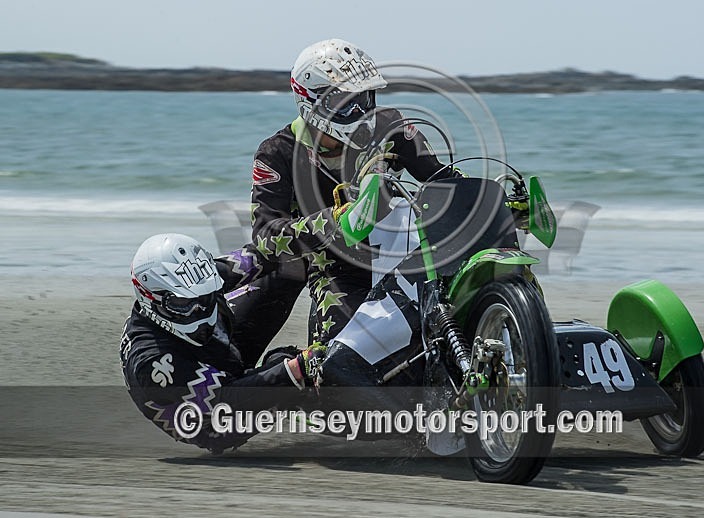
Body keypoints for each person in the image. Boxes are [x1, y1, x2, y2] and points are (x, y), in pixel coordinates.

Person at [237, 38, 463, 348]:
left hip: (402, 249)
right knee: (340, 355)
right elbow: (265, 234)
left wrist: (492, 200)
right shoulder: (276, 153)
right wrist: (336, 219)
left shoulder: (392, 125)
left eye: (363, 99)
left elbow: (440, 176)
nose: (359, 111)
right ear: (311, 102)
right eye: (344, 103)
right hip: (333, 264)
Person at [119, 233, 325, 452]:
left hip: (220, 351)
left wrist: (312, 234)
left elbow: (257, 255)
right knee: (285, 363)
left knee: (291, 266)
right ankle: (317, 402)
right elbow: (225, 399)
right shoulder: (152, 363)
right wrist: (298, 368)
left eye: (205, 294)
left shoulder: (196, 276)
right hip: (215, 419)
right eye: (182, 302)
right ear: (150, 298)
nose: (197, 309)